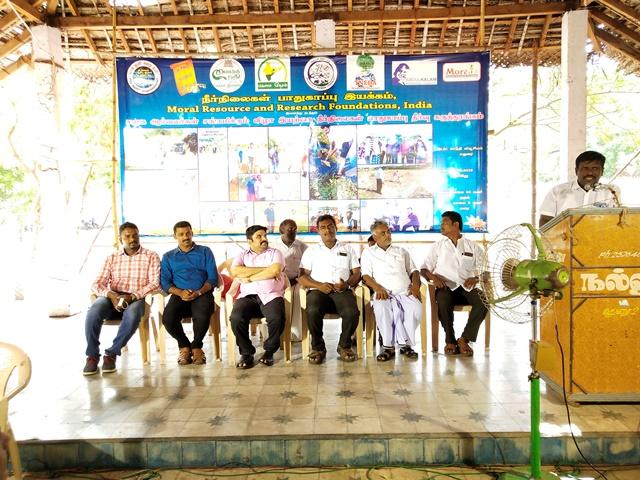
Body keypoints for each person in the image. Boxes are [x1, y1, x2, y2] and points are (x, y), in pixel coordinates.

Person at [83, 222, 160, 375]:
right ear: (120, 239)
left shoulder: (151, 256)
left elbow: (155, 283)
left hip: (138, 298)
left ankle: (111, 354)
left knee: (132, 313)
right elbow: (97, 284)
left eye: (135, 235)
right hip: (113, 298)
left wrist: (132, 296)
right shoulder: (112, 258)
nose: (132, 239)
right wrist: (112, 295)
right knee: (94, 310)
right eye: (128, 236)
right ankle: (92, 355)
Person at [420, 211, 487, 356]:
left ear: (455, 224)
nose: (441, 225)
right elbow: (423, 269)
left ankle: (464, 339)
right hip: (446, 288)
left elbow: (487, 271)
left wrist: (476, 279)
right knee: (443, 298)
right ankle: (450, 340)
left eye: (444, 222)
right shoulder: (438, 246)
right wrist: (434, 277)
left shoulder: (473, 246)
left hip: (466, 289)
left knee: (483, 300)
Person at [298, 214, 361, 364]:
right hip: (318, 290)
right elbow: (302, 277)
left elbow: (357, 273)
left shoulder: (348, 248)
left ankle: (344, 346)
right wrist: (318, 285)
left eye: (330, 226)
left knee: (352, 312)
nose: (327, 230)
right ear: (318, 230)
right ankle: (318, 348)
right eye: (323, 227)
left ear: (335, 228)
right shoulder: (311, 251)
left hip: (341, 290)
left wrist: (346, 284)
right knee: (312, 310)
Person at [361, 221, 421, 361]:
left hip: (405, 292)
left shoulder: (401, 251)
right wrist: (377, 288)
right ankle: (388, 347)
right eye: (383, 233)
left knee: (416, 309)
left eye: (388, 231)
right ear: (374, 237)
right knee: (382, 309)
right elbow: (366, 276)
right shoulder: (368, 253)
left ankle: (406, 345)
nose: (387, 235)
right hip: (383, 294)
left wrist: (415, 286)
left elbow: (414, 271)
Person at [229, 225, 286, 368]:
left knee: (277, 318)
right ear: (250, 241)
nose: (264, 239)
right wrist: (266, 269)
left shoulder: (275, 253)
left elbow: (275, 270)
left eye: (265, 235)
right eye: (259, 236)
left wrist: (249, 277)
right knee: (236, 318)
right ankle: (246, 353)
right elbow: (235, 271)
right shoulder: (242, 255)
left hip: (271, 295)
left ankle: (269, 351)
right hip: (248, 296)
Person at [160, 221, 217, 366]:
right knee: (168, 318)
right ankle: (184, 346)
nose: (185, 237)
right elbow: (165, 282)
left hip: (202, 293)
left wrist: (199, 292)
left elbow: (212, 278)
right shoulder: (168, 257)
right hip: (180, 295)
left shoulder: (205, 251)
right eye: (181, 234)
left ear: (192, 233)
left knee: (202, 313)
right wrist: (180, 292)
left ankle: (197, 347)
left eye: (188, 233)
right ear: (175, 236)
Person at [539, 150, 621, 227]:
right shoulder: (557, 191)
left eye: (595, 168)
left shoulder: (610, 192)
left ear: (602, 171)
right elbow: (545, 220)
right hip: (565, 237)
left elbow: (618, 220)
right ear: (576, 171)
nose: (590, 172)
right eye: (585, 168)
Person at [270, 219, 308, 341]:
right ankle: (279, 334)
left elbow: (308, 266)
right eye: (290, 229)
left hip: (297, 280)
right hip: (279, 281)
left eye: (295, 229)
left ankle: (296, 334)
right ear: (282, 230)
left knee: (298, 295)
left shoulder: (302, 246)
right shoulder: (273, 246)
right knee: (277, 300)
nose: (294, 231)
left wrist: (300, 279)